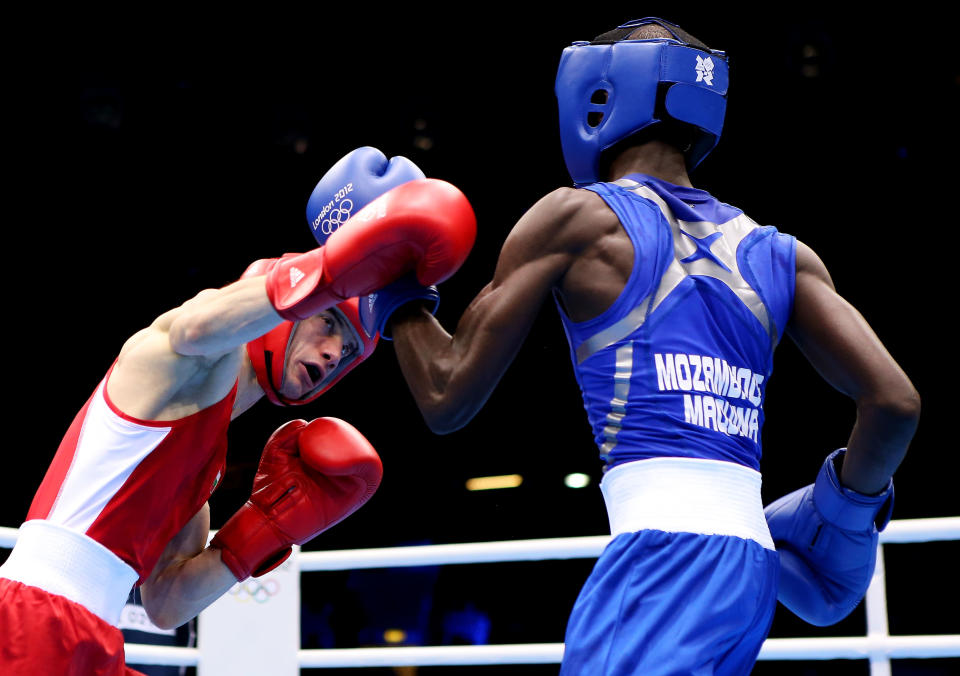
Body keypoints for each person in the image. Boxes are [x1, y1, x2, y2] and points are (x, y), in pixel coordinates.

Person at [378, 18, 921, 675]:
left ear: (600, 92)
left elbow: (445, 397)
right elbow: (894, 403)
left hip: (663, 565)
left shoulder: (577, 218)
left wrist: (393, 286)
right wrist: (843, 513)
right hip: (753, 571)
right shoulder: (782, 254)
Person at [0, 147, 477, 675]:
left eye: (345, 352)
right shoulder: (190, 358)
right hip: (35, 610)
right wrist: (335, 267)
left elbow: (166, 604)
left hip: (91, 633)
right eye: (329, 326)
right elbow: (197, 327)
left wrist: (264, 531)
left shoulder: (207, 464)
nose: (330, 353)